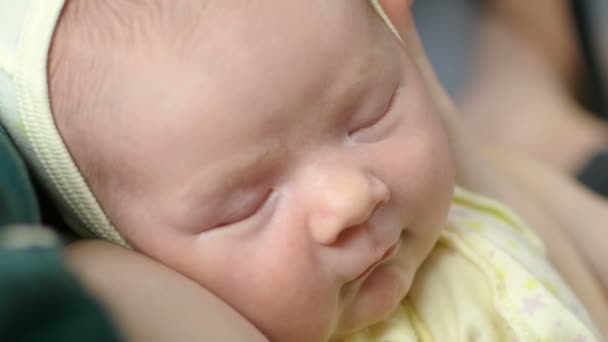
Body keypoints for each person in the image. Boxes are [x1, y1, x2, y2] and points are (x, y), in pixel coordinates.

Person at [1, 0, 607, 340]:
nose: (349, 198)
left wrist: (472, 158)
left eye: (369, 115)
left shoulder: (471, 210)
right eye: (248, 203)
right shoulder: (155, 299)